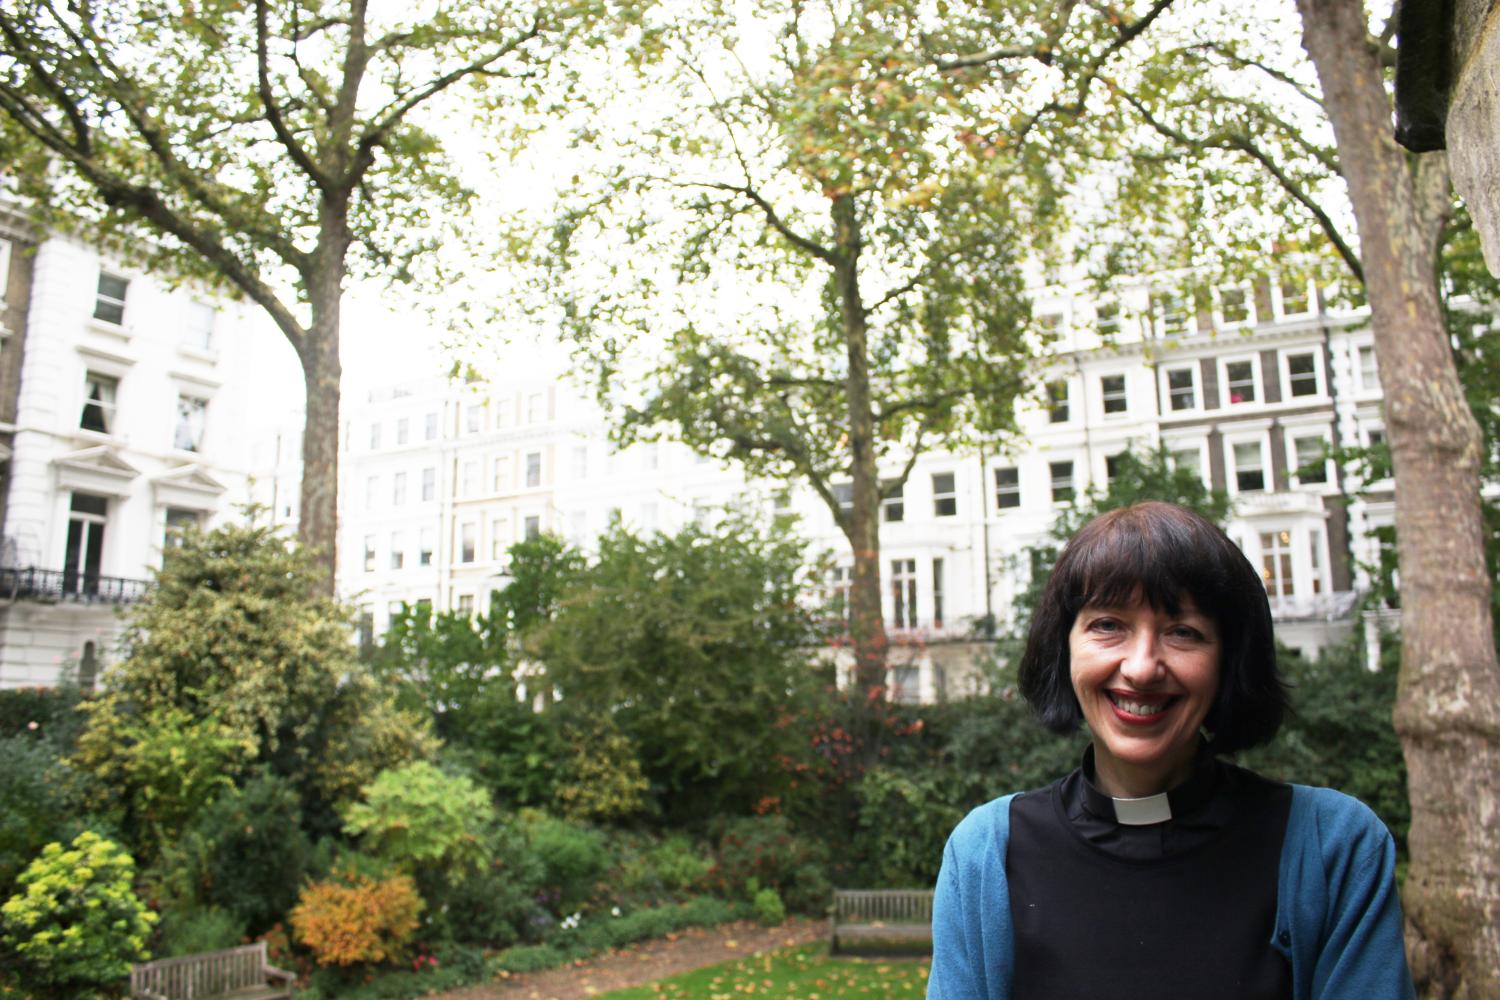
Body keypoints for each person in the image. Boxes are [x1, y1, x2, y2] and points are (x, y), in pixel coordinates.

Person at [928, 501, 1414, 1000]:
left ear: (1230, 662)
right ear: (1063, 648)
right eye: (1108, 625)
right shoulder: (987, 856)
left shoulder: (1333, 847)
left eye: (1184, 632)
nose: (1141, 668)